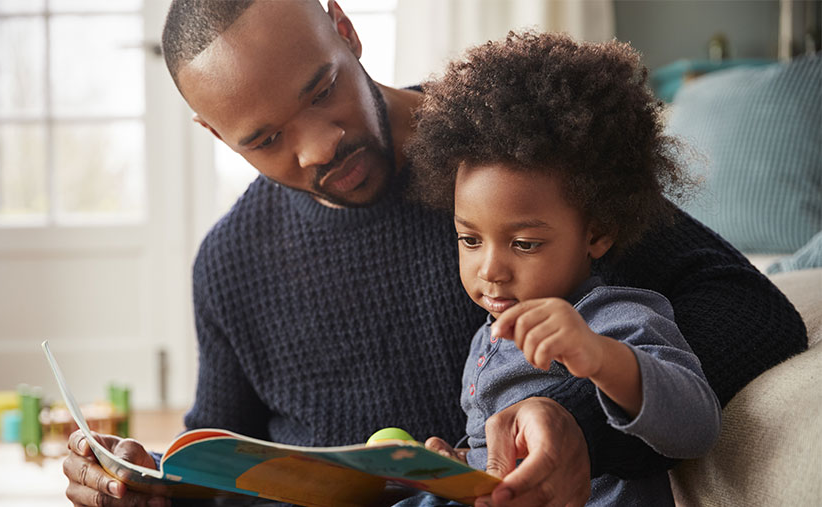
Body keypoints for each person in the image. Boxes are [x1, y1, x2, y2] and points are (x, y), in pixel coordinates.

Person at [61, 1, 807, 506]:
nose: (320, 142)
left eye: (322, 88)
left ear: (344, 29)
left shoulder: (508, 160)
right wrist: (146, 480)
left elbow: (752, 310)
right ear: (215, 134)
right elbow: (220, 451)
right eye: (264, 137)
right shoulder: (228, 265)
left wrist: (575, 415)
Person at [404, 31, 721, 506]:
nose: (490, 269)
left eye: (525, 244)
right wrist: (457, 463)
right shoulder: (485, 342)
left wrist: (599, 356)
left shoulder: (617, 318)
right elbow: (501, 461)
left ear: (597, 233)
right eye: (469, 239)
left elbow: (698, 426)